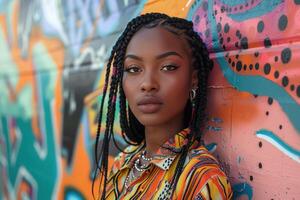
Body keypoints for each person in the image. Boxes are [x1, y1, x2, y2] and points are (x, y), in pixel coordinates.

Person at [93, 12, 232, 200]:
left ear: (194, 78)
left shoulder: (200, 179)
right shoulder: (124, 161)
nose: (147, 83)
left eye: (168, 67)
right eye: (134, 69)